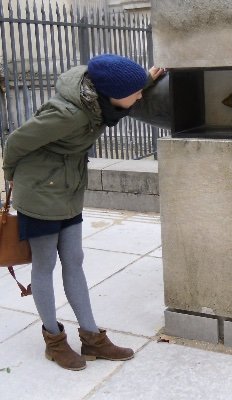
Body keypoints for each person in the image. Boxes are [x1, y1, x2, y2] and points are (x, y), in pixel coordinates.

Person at [2, 54, 164, 371]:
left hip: (68, 188)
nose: (141, 96)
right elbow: (17, 141)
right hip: (40, 193)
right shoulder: (67, 114)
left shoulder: (100, 100)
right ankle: (54, 341)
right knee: (45, 263)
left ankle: (92, 337)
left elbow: (124, 87)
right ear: (112, 94)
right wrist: (10, 173)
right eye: (136, 91)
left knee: (74, 259)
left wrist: (145, 79)